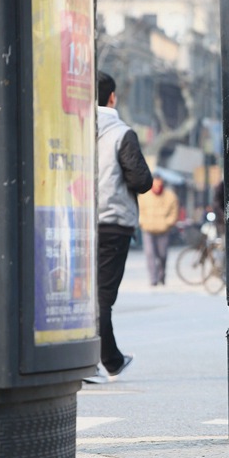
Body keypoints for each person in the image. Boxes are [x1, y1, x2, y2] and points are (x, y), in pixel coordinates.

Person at [90, 71, 153, 384]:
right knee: (102, 295)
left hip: (76, 222)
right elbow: (141, 180)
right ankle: (99, 361)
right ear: (112, 97)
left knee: (81, 294)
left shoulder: (72, 127)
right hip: (113, 222)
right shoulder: (120, 133)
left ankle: (108, 360)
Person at [138, 174, 179, 287]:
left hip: (163, 230)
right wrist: (143, 222)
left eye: (159, 184)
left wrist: (167, 223)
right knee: (150, 254)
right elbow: (139, 210)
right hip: (148, 229)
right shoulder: (144, 195)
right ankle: (153, 279)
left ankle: (162, 275)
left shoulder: (170, 196)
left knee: (162, 255)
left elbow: (174, 212)